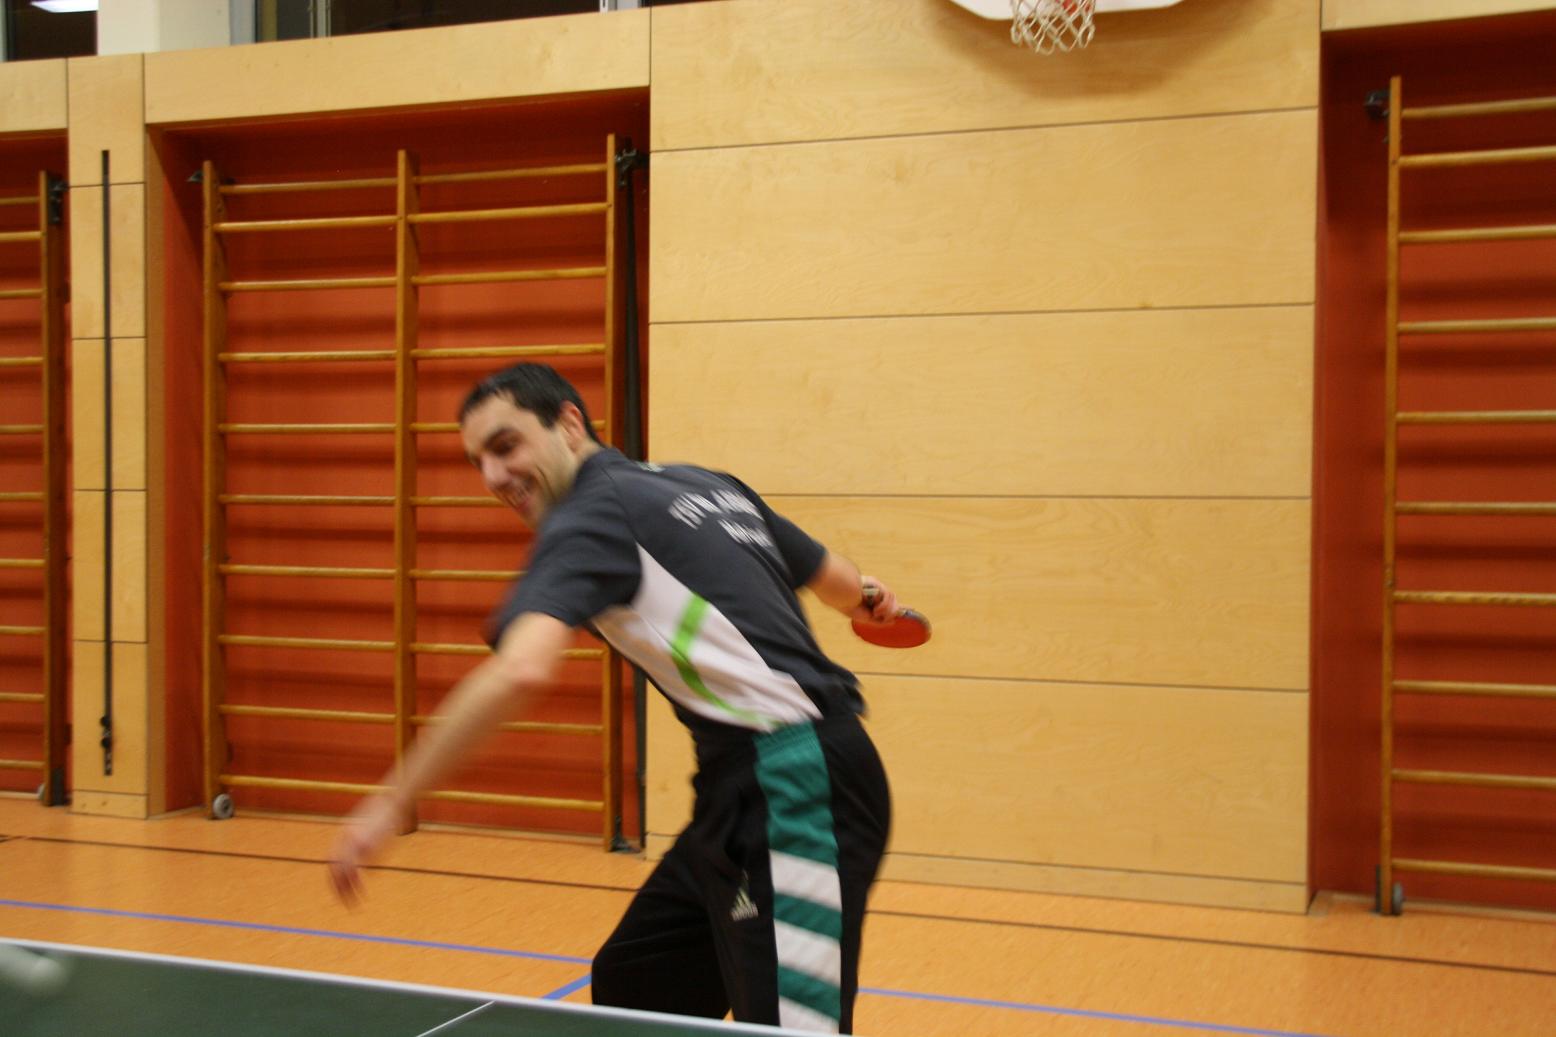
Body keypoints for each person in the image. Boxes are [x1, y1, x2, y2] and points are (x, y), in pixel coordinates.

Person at [328, 363, 897, 1034]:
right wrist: (868, 601)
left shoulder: (591, 516)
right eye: (478, 460)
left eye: (506, 446)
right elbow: (837, 580)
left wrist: (391, 802)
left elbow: (521, 670)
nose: (493, 476)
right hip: (740, 784)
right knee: (642, 980)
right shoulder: (706, 485)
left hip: (798, 786)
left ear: (570, 423)